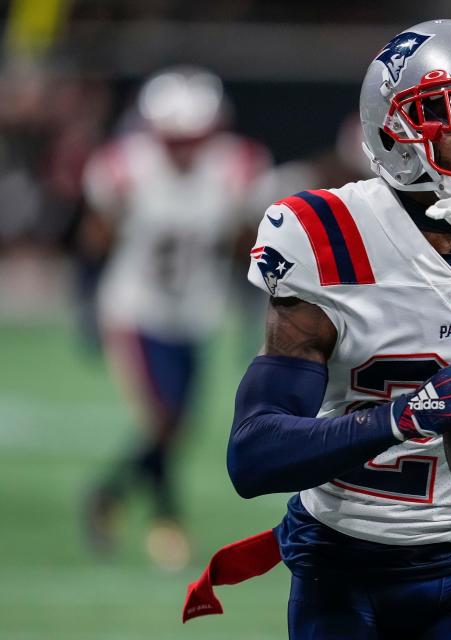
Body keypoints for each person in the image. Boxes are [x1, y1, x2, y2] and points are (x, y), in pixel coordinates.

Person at [186, 20, 451, 638]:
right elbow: (252, 455)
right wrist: (405, 416)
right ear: (392, 128)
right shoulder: (329, 239)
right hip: (343, 562)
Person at [81, 66, 270, 570]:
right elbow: (94, 239)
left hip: (196, 313)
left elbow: (246, 249)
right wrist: (85, 312)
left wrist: (254, 310)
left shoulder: (237, 170)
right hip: (136, 309)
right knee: (163, 420)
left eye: (194, 139)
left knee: (180, 426)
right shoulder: (125, 168)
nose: (184, 150)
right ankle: (167, 521)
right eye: (174, 139)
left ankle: (109, 495)